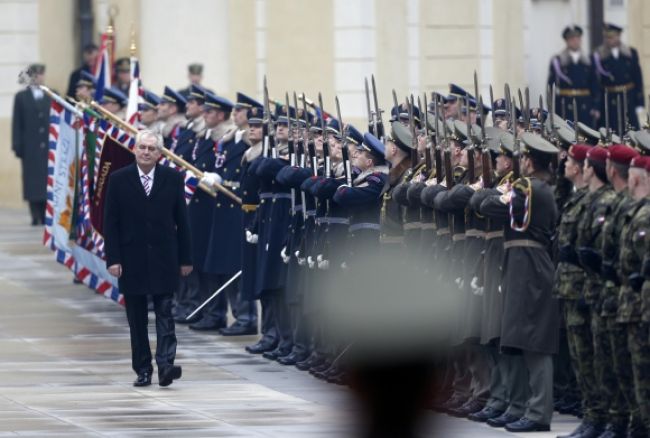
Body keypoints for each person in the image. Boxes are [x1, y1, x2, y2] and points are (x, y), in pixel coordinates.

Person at [103, 129, 192, 387]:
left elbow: (182, 222)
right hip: (131, 260)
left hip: (164, 257)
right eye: (142, 147)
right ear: (134, 149)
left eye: (151, 149)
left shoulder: (172, 178)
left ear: (160, 154)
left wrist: (186, 259)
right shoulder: (119, 179)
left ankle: (166, 365)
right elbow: (111, 223)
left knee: (165, 313)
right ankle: (143, 368)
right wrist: (113, 259)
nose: (146, 152)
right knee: (137, 319)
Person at [11, 63, 51, 226]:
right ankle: (35, 214)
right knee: (32, 181)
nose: (38, 78)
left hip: (49, 146)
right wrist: (17, 146)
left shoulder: (50, 95)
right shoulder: (21, 97)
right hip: (30, 147)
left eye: (40, 74)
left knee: (47, 181)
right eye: (34, 75)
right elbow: (17, 123)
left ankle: (46, 213)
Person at [593, 23, 645, 131]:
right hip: (608, 100)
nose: (609, 40)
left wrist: (640, 102)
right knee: (610, 133)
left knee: (631, 132)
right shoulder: (599, 56)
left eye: (612, 37)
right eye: (607, 38)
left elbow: (637, 78)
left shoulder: (630, 53)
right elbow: (595, 82)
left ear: (618, 36)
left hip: (628, 99)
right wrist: (596, 106)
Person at [547, 25, 600, 127]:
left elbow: (595, 85)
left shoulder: (589, 60)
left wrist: (596, 107)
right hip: (565, 105)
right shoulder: (558, 61)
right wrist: (551, 110)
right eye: (572, 39)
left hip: (585, 105)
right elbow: (550, 87)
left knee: (586, 138)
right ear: (566, 41)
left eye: (577, 38)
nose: (575, 41)